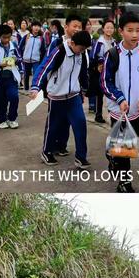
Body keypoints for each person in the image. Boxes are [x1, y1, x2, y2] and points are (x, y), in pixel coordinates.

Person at [101, 12, 139, 193]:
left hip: (137, 110)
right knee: (125, 150)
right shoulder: (113, 54)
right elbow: (105, 81)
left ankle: (112, 154)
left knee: (129, 144)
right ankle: (124, 183)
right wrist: (119, 97)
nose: (134, 35)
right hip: (119, 110)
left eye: (138, 30)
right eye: (130, 30)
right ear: (120, 31)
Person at [31, 30, 92, 169]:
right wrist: (35, 87)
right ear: (72, 43)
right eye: (80, 48)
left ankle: (81, 157)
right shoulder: (59, 51)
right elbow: (43, 68)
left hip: (73, 97)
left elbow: (82, 73)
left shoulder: (81, 54)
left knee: (81, 124)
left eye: (84, 50)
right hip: (56, 97)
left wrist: (84, 89)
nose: (81, 52)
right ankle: (46, 152)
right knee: (53, 126)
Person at [45, 13, 83, 156]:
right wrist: (43, 87)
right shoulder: (56, 44)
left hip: (72, 92)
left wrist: (82, 89)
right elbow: (47, 65)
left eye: (80, 27)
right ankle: (49, 148)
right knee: (55, 122)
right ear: (66, 27)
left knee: (67, 121)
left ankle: (61, 145)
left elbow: (81, 69)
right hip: (56, 90)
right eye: (75, 26)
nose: (77, 29)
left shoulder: (80, 46)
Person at [0, 24, 24, 129]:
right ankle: (2, 119)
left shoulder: (13, 45)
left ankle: (12, 118)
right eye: (4, 37)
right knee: (0, 100)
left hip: (11, 77)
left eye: (9, 37)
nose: (7, 40)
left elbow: (20, 57)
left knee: (14, 97)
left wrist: (17, 61)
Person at [89, 19, 116, 123]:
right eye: (107, 27)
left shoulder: (114, 42)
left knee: (111, 93)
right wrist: (99, 64)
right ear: (103, 29)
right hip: (100, 72)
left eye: (111, 27)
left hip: (112, 72)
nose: (109, 29)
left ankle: (113, 114)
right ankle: (98, 114)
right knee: (99, 94)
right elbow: (93, 56)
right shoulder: (99, 42)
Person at [19, 21, 46, 91]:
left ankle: (35, 88)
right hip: (26, 59)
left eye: (38, 26)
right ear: (31, 27)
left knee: (36, 74)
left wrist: (42, 60)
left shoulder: (41, 38)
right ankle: (26, 89)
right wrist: (21, 57)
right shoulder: (27, 36)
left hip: (36, 60)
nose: (36, 28)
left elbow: (43, 51)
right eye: (35, 26)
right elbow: (20, 47)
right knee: (26, 75)